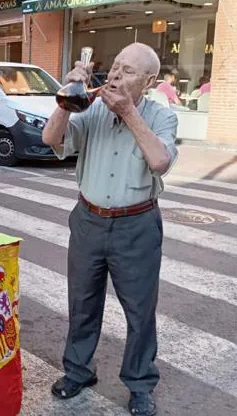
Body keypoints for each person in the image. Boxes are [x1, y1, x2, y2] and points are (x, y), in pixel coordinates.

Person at [42, 42, 178, 416]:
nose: (116, 75)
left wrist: (129, 112)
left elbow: (160, 161)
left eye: (128, 71)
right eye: (115, 66)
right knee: (82, 302)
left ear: (148, 82)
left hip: (137, 224)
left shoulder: (160, 116)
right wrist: (64, 98)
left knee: (139, 310)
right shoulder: (93, 108)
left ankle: (139, 383)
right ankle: (79, 371)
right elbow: (51, 140)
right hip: (88, 218)